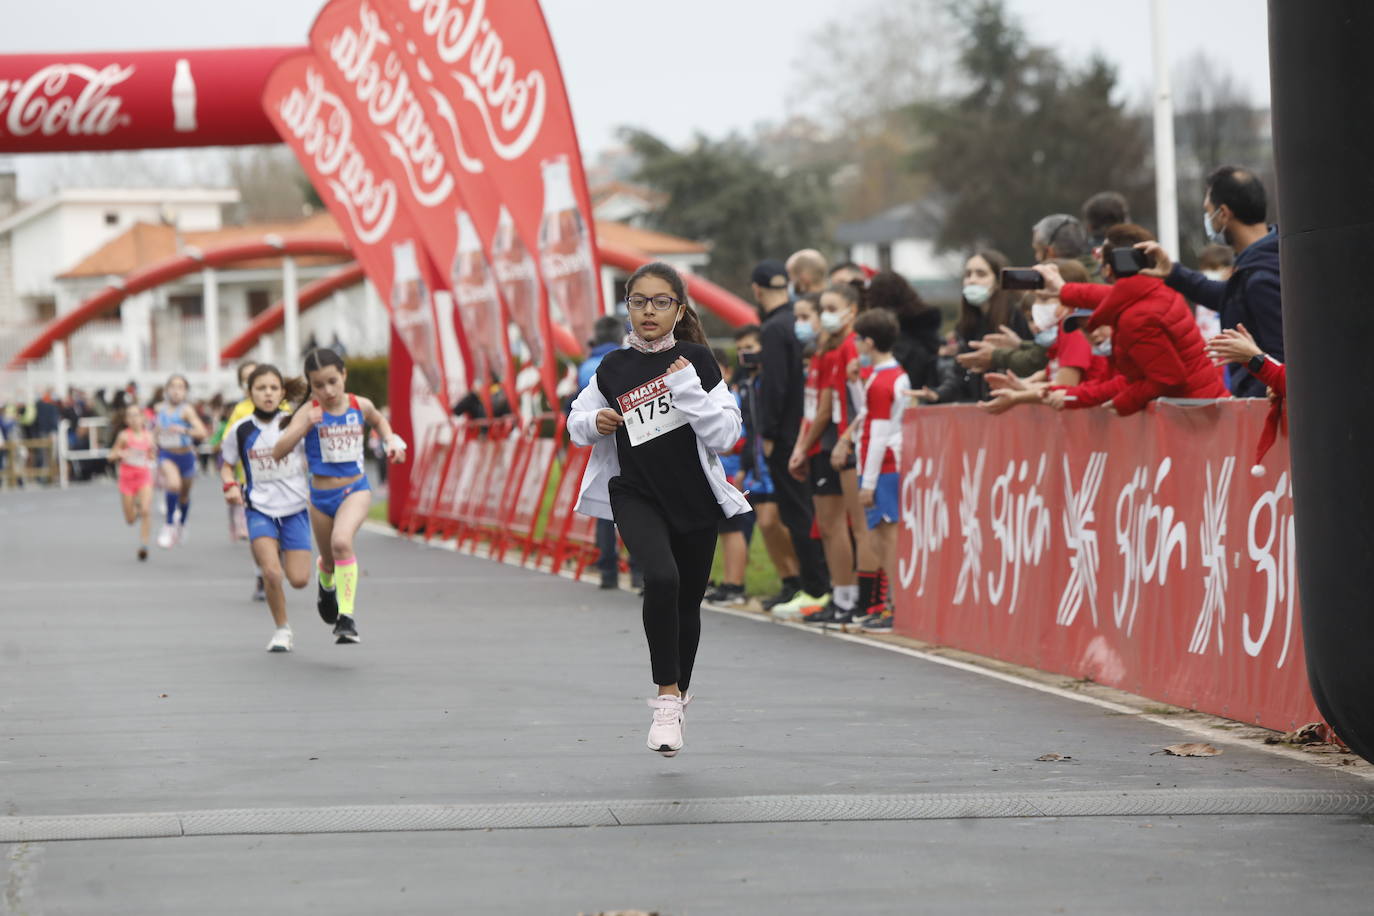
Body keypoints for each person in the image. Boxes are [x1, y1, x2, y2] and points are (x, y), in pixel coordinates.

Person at [568, 261, 751, 757]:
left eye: (661, 302)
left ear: (680, 308)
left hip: (693, 497)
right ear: (627, 306)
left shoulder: (698, 362)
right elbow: (576, 420)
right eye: (639, 301)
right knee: (662, 580)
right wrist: (596, 422)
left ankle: (680, 692)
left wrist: (688, 389)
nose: (649, 311)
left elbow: (727, 436)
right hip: (635, 493)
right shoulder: (612, 367)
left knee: (687, 600)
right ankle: (665, 698)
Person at [272, 349, 407, 645]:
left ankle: (346, 618)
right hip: (320, 497)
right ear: (311, 385)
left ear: (344, 375)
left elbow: (379, 420)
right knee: (330, 560)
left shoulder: (360, 404)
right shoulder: (309, 411)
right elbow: (279, 450)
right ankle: (326, 581)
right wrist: (306, 423)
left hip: (355, 489)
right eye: (318, 385)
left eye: (333, 381)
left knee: (342, 542)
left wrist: (391, 440)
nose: (328, 391)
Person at [1036, 223, 1229, 415]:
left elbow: (1168, 378)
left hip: (1191, 418)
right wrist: (1063, 290)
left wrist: (1124, 402)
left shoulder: (1136, 319)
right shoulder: (1153, 293)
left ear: (1108, 270)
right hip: (1203, 407)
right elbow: (1113, 296)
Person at [1136, 165, 1281, 398]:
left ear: (1223, 213)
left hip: (1263, 411)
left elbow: (1282, 359)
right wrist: (1173, 272)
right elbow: (1226, 296)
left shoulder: (1261, 277)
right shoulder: (1264, 262)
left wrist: (1251, 396)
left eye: (1208, 211)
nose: (1208, 219)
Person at [752, 259, 831, 611]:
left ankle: (814, 588)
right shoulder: (795, 325)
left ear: (756, 290)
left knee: (797, 513)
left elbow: (775, 386)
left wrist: (767, 431)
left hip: (787, 434)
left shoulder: (773, 329)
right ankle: (819, 586)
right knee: (811, 511)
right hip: (810, 427)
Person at [220, 365, 314, 653]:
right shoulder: (241, 429)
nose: (268, 393)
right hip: (259, 507)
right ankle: (282, 629)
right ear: (250, 394)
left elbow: (312, 456)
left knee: (298, 580)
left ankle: (323, 570)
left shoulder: (293, 423)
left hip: (295, 508)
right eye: (261, 388)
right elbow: (225, 465)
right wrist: (231, 486)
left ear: (283, 392)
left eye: (274, 388)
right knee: (272, 573)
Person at [850, 309, 909, 632]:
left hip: (883, 465)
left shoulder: (884, 380)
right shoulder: (883, 375)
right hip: (880, 463)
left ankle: (897, 607)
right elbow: (867, 414)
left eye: (858, 339)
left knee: (886, 539)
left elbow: (880, 432)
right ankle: (893, 605)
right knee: (880, 539)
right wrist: (856, 382)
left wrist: (868, 481)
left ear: (869, 342)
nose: (855, 344)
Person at [730, 324, 797, 607]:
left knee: (777, 522)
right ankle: (788, 580)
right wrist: (745, 467)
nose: (746, 354)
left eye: (751, 347)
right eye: (741, 349)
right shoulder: (745, 385)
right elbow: (749, 429)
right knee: (766, 524)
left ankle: (801, 578)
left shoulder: (773, 380)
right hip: (756, 465)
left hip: (777, 462)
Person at [925, 250, 1031, 404]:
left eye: (981, 274)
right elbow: (960, 375)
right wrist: (938, 394)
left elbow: (1031, 362)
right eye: (968, 275)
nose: (972, 280)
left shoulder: (1016, 317)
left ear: (997, 282)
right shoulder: (967, 325)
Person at [579, 315, 633, 590]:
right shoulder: (628, 360)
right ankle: (639, 571)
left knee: (605, 506)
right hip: (634, 443)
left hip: (599, 444)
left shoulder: (587, 366)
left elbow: (577, 407)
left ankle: (608, 571)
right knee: (637, 507)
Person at [705, 347, 755, 609]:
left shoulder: (729, 398)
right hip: (715, 473)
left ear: (728, 372)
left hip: (731, 473)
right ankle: (725, 582)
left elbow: (736, 439)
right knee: (719, 530)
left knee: (733, 528)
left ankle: (735, 585)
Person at [152, 375, 209, 548]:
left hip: (185, 456)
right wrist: (153, 444)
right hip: (167, 455)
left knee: (183, 495)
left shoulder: (187, 411)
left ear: (185, 392)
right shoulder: (159, 409)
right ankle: (169, 525)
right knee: (173, 485)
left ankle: (182, 524)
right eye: (173, 386)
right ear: (167, 390)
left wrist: (183, 430)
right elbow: (155, 432)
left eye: (181, 387)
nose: (176, 391)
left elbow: (202, 432)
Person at [108, 405, 157, 561]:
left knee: (146, 510)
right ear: (126, 420)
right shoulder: (124, 436)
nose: (134, 419)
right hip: (127, 479)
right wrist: (121, 453)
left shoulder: (149, 436)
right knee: (130, 520)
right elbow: (111, 455)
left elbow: (153, 455)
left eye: (136, 415)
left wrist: (152, 457)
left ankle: (144, 545)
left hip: (143, 476)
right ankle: (135, 508)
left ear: (143, 418)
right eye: (130, 416)